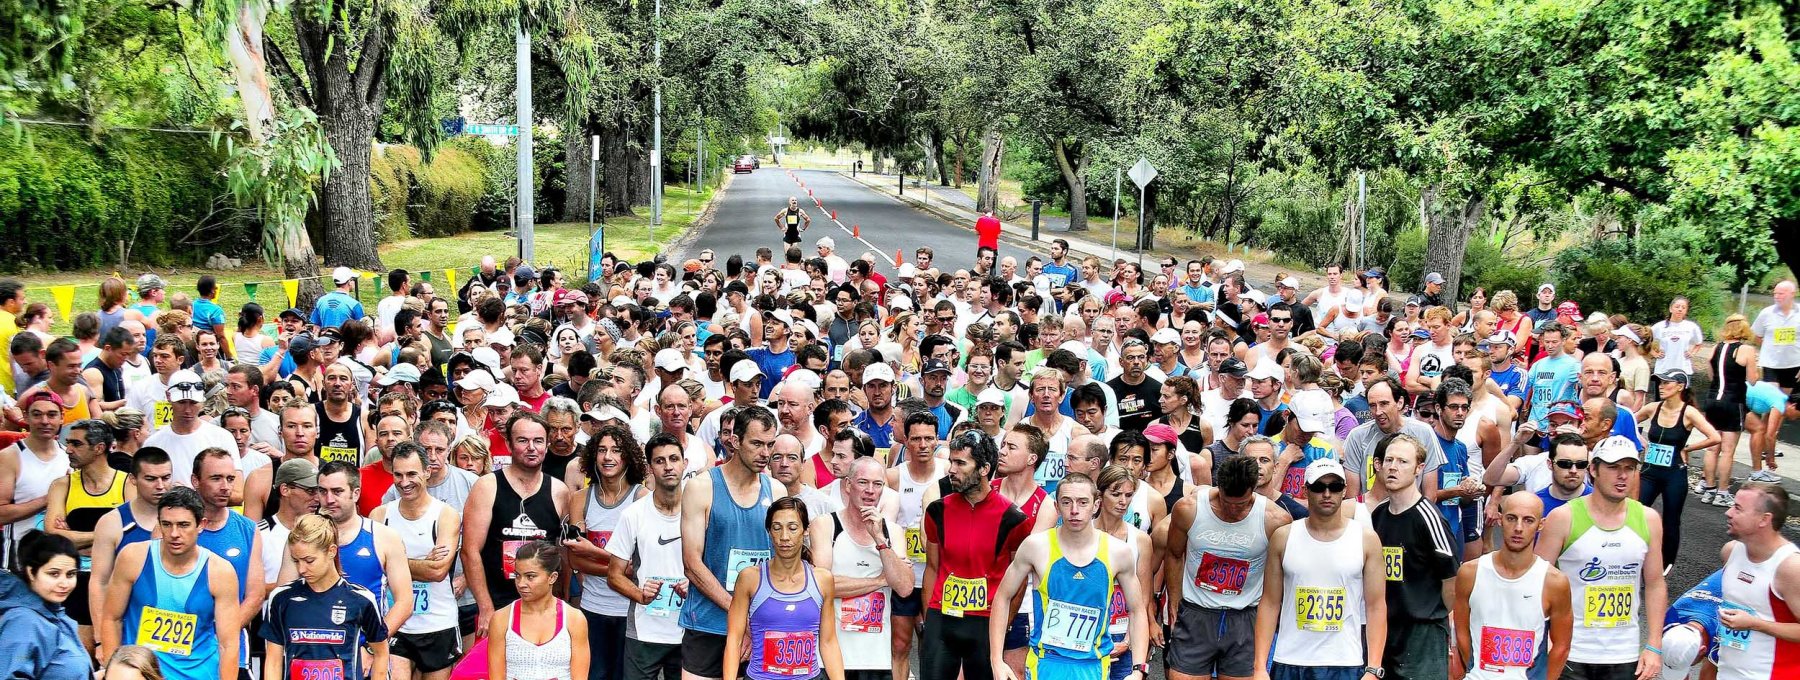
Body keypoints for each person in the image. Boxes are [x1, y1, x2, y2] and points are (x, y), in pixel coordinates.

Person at [987, 472, 1148, 680]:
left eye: (1082, 503)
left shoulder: (1118, 552)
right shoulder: (1036, 546)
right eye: (1066, 502)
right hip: (1045, 664)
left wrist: (1138, 669)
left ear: (1096, 505)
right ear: (1056, 507)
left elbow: (1136, 609)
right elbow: (1003, 597)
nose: (1074, 511)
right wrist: (996, 660)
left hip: (1094, 666)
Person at [1535, 435, 1668, 680]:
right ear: (1594, 469)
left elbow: (1655, 584)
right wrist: (1539, 640)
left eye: (1630, 468)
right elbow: (1535, 582)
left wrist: (1653, 646)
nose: (1623, 476)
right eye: (1613, 467)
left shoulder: (1648, 519)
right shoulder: (1563, 517)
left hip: (1623, 653)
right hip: (1570, 650)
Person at [1253, 458, 1386, 680]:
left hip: (1345, 660)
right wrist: (1259, 667)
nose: (1326, 494)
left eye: (1334, 487)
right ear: (1305, 491)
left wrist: (1373, 668)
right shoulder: (1283, 537)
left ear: (1344, 491)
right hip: (1291, 659)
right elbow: (1269, 603)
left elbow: (1376, 606)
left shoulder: (1366, 539)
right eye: (1318, 487)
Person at [1163, 454, 1292, 680]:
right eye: (1226, 502)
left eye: (1241, 504)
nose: (1232, 509)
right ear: (1218, 486)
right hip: (1196, 613)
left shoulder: (1275, 519)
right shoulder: (1188, 508)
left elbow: (1280, 576)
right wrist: (1174, 602)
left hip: (1245, 618)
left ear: (1253, 489)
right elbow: (1173, 554)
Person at [920, 431, 1034, 680]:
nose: (952, 469)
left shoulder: (1013, 519)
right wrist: (929, 619)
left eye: (961, 463)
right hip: (942, 618)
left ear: (984, 468)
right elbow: (932, 567)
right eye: (951, 461)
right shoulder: (937, 510)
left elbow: (1020, 580)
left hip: (986, 622)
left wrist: (1004, 624)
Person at [99, 486, 243, 680]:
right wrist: (113, 673)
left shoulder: (220, 572)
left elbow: (228, 644)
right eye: (167, 524)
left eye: (183, 525)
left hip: (198, 674)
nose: (174, 533)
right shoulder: (133, 557)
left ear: (201, 524)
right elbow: (111, 618)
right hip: (141, 674)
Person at [680, 405, 779, 680]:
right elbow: (691, 564)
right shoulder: (701, 487)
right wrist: (738, 613)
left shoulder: (777, 490)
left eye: (770, 445)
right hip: (709, 623)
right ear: (735, 441)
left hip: (760, 625)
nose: (765, 454)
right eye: (757, 444)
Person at [464, 411, 570, 636]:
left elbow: (563, 553)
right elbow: (470, 551)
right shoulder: (487, 486)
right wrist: (485, 607)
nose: (532, 447)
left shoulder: (559, 491)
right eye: (523, 440)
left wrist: (563, 598)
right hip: (498, 602)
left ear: (546, 444)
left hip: (543, 607)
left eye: (538, 441)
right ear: (509, 445)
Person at [809, 455, 913, 680]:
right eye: (863, 482)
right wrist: (880, 580)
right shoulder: (826, 524)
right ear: (848, 485)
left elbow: (904, 587)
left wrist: (879, 538)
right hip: (831, 654)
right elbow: (822, 586)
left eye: (877, 484)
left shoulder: (892, 531)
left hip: (876, 657)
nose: (870, 490)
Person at [1367, 434, 1460, 680]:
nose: (1393, 467)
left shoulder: (1429, 518)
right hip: (1386, 630)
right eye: (1389, 460)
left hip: (1423, 633)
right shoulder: (1377, 516)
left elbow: (1451, 582)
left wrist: (1444, 627)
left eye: (1403, 462)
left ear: (1419, 469)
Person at [1452, 491, 1572, 680]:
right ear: (1500, 520)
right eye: (1511, 518)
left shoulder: (1554, 582)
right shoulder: (1469, 573)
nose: (1518, 527)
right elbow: (1461, 630)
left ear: (1541, 524)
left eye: (1528, 520)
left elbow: (1562, 645)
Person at [371, 443, 462, 680]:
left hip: (437, 623)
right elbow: (374, 566)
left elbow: (438, 571)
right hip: (395, 623)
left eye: (411, 474)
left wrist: (393, 562)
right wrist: (420, 563)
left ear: (426, 472)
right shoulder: (380, 515)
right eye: (398, 475)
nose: (404, 482)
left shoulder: (445, 515)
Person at [261, 513, 390, 680]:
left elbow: (381, 652)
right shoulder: (281, 598)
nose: (301, 569)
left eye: (309, 560)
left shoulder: (361, 599)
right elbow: (273, 661)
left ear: (331, 551)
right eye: (296, 561)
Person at [601, 434, 689, 680]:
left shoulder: (701, 511)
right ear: (650, 468)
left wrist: (695, 585)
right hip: (644, 632)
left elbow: (714, 564)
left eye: (674, 459)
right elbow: (614, 575)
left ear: (685, 463)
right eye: (660, 461)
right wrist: (640, 594)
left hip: (689, 629)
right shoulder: (634, 514)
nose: (668, 466)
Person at [565, 425, 648, 680]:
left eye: (616, 450)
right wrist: (617, 568)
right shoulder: (580, 499)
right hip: (593, 607)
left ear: (628, 457)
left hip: (630, 611)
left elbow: (640, 567)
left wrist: (594, 551)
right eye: (601, 450)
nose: (607, 457)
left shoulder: (642, 498)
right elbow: (575, 558)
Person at [1709, 481, 1799, 680]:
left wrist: (1755, 624)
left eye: (1738, 508)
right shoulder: (1731, 552)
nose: (1728, 512)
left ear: (1764, 519)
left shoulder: (1790, 567)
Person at [1632, 370, 1719, 565]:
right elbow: (1629, 422)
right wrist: (1641, 441)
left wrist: (1687, 449)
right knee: (1635, 512)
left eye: (1666, 383)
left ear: (1680, 386)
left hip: (1674, 474)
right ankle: (1633, 557)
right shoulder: (1653, 408)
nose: (1661, 387)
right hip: (1649, 472)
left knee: (1671, 521)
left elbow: (1715, 437)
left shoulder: (1689, 412)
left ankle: (1665, 565)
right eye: (1659, 383)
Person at [488, 540, 590, 680]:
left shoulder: (575, 619)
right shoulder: (501, 618)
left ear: (552, 578)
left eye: (530, 576)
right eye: (517, 575)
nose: (521, 584)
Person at [0, 530, 91, 680]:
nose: (64, 583)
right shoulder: (23, 621)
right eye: (54, 574)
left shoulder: (58, 618)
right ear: (31, 573)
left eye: (70, 574)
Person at [1, 390, 68, 568]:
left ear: (62, 417)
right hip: (20, 553)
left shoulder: (68, 454)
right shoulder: (10, 457)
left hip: (58, 554)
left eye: (51, 414)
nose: (45, 421)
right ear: (25, 417)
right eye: (37, 415)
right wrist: (50, 498)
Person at [1704, 315, 1763, 482]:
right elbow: (1752, 379)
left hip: (1712, 399)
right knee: (1727, 451)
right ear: (1744, 328)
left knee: (1711, 448)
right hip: (1733, 401)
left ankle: (1708, 486)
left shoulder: (1716, 347)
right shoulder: (1746, 350)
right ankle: (1722, 491)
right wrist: (1754, 367)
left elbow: (1711, 375)